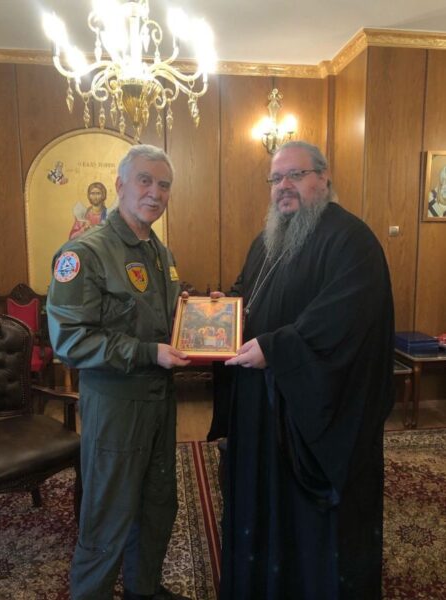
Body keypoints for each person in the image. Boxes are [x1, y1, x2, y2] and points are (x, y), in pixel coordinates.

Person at [217, 140, 395, 600]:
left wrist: (275, 349)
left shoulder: (351, 240)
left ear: (324, 178)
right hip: (262, 402)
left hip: (312, 414)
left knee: (306, 523)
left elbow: (343, 319)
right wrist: (220, 312)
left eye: (295, 175)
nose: (284, 186)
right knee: (261, 502)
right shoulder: (266, 241)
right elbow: (247, 293)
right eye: (276, 178)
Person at [47, 144, 191, 600]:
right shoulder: (84, 253)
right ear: (120, 185)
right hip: (115, 406)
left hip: (160, 400)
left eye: (164, 185)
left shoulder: (160, 252)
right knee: (107, 517)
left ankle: (143, 590)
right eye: (145, 181)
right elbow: (70, 340)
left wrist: (201, 321)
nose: (155, 193)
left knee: (157, 504)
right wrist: (148, 352)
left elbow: (161, 318)